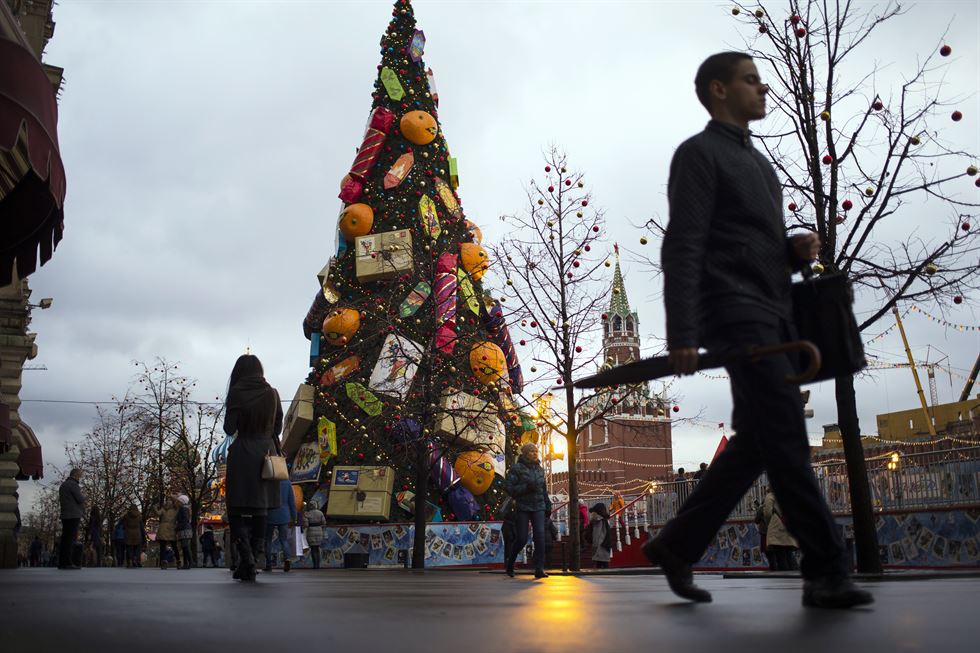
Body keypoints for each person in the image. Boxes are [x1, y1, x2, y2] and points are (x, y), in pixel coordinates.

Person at [642, 51, 873, 609]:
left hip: (772, 314)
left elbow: (751, 248)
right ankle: (826, 569)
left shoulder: (761, 166)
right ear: (718, 91)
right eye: (750, 80)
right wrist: (683, 334)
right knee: (788, 437)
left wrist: (792, 253)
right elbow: (685, 245)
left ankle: (676, 545)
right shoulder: (698, 156)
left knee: (755, 446)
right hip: (736, 317)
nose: (762, 88)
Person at [223, 354, 283, 583]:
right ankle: (254, 557)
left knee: (236, 509)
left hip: (242, 454)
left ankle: (245, 558)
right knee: (261, 508)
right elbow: (277, 426)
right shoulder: (272, 393)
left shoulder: (237, 393)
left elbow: (229, 429)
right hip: (267, 454)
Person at [502, 443, 551, 579]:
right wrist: (526, 487)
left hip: (539, 506)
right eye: (531, 451)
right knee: (522, 538)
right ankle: (510, 563)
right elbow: (509, 488)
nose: (535, 453)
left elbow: (543, 490)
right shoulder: (517, 468)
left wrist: (547, 505)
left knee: (540, 537)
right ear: (524, 454)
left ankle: (539, 568)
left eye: (536, 451)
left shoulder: (540, 470)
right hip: (523, 507)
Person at [264, 479, 296, 572]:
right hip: (284, 514)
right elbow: (291, 502)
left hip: (270, 514)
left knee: (268, 540)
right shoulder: (287, 483)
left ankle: (268, 564)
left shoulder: (268, 482)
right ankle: (287, 559)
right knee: (284, 539)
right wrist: (294, 517)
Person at [764, 488, 799, 571]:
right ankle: (793, 574)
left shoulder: (770, 496)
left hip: (777, 527)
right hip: (788, 525)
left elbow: (767, 513)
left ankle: (783, 575)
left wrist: (769, 523)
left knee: (780, 555)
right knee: (788, 553)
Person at [58, 468, 85, 570]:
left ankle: (62, 562)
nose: (80, 477)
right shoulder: (73, 485)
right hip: (73, 514)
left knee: (65, 538)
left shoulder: (64, 484)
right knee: (70, 539)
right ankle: (68, 562)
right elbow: (80, 499)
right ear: (75, 475)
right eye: (79, 475)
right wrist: (84, 497)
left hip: (65, 514)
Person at [155, 497, 178, 569]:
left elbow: (157, 513)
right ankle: (178, 561)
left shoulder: (163, 509)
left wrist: (155, 507)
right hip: (172, 528)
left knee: (162, 547)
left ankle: (163, 562)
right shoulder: (175, 510)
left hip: (163, 528)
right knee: (174, 546)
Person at [587, 503, 613, 569]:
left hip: (600, 546)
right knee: (604, 565)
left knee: (600, 565)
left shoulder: (598, 521)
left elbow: (597, 535)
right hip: (604, 545)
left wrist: (594, 547)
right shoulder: (604, 520)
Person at [302, 502, 325, 569]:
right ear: (316, 505)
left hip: (311, 532)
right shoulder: (320, 513)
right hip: (319, 531)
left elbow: (306, 525)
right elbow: (324, 522)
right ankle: (318, 564)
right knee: (317, 548)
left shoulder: (307, 513)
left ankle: (315, 565)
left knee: (313, 549)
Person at [175, 494, 194, 569]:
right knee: (184, 546)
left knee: (185, 546)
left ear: (182, 502)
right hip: (184, 529)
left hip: (184, 529)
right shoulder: (185, 508)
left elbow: (185, 519)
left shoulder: (183, 509)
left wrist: (177, 527)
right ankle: (186, 564)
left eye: (178, 501)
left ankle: (190, 562)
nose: (177, 502)